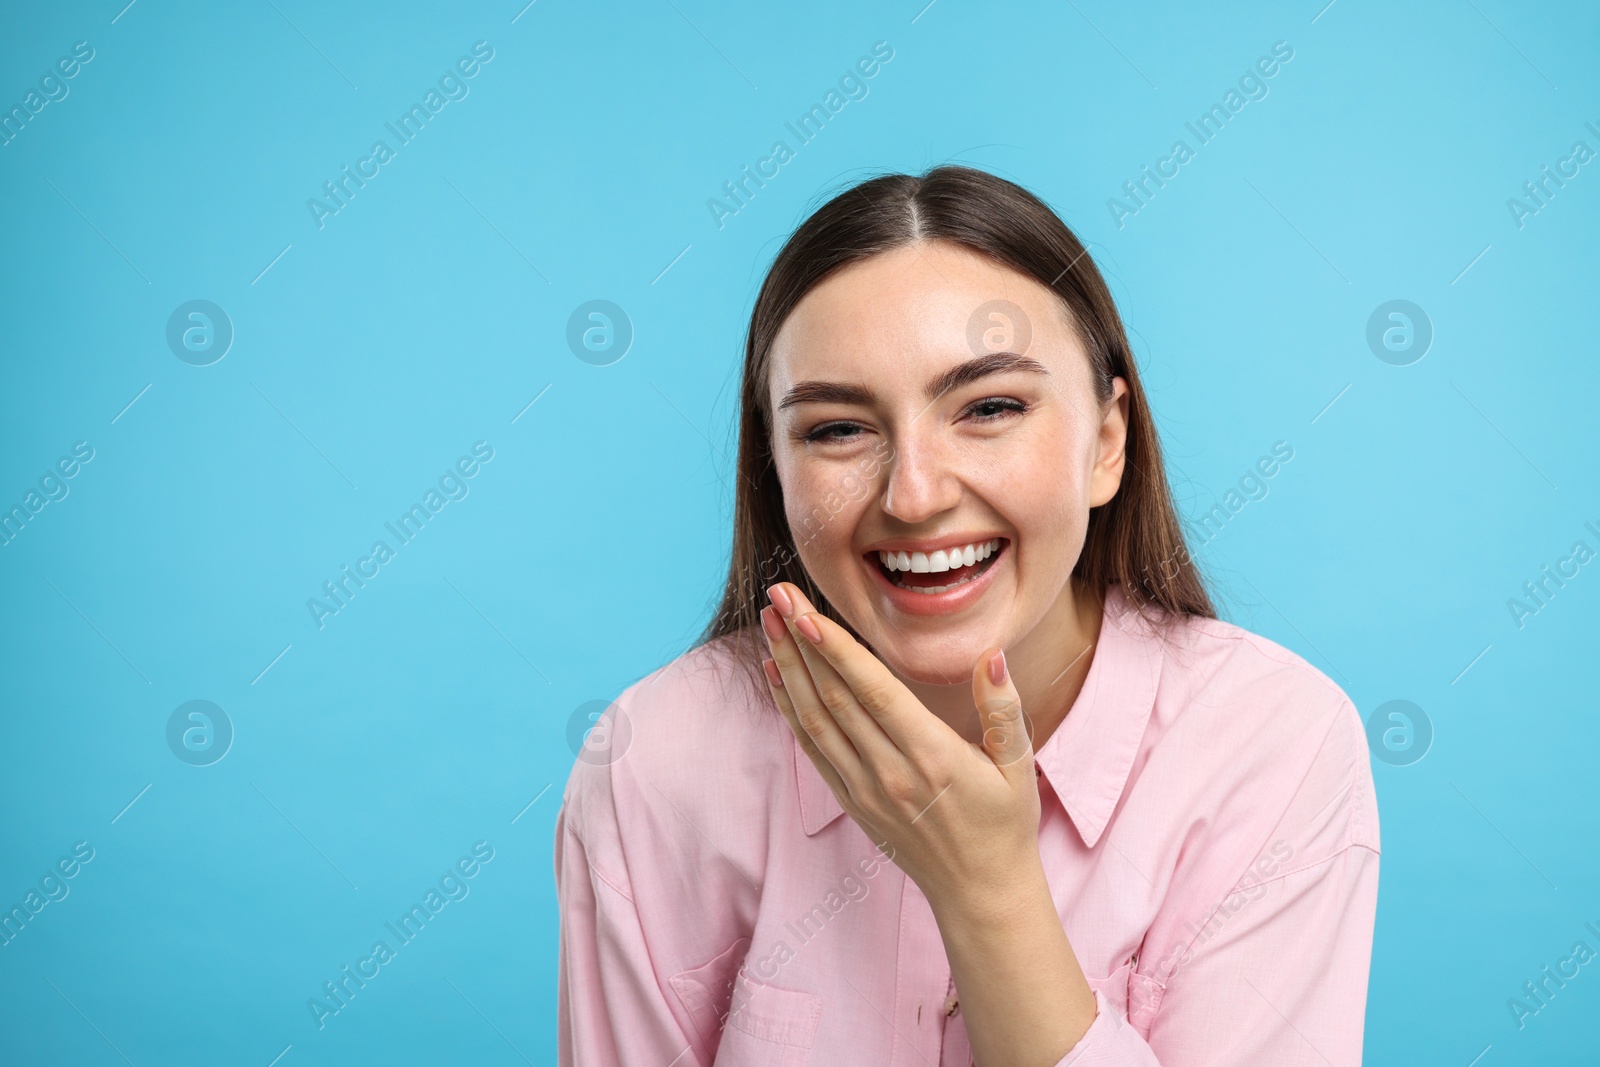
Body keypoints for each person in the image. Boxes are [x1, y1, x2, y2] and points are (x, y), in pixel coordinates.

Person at [555, 165, 1379, 1065]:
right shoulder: (658, 756)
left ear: (1107, 442)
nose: (914, 495)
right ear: (776, 471)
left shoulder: (1273, 744)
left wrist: (989, 890)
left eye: (989, 407)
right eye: (836, 428)